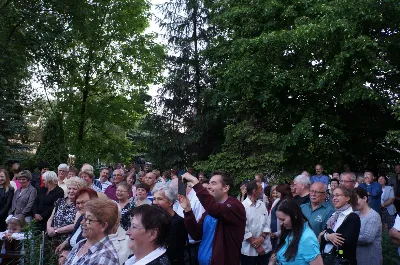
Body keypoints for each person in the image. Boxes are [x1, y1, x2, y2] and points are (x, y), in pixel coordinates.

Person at [178, 171, 246, 265]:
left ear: (226, 188)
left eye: (213, 183)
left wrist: (195, 182)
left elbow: (216, 210)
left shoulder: (235, 206)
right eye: (209, 183)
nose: (209, 187)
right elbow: (196, 234)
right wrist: (188, 210)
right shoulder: (208, 212)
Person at [64, 198, 120, 265]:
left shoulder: (106, 257)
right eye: (84, 218)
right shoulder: (80, 244)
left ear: (103, 226)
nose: (82, 222)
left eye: (89, 220)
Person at [268, 199, 323, 265]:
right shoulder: (289, 230)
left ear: (295, 216)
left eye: (283, 219)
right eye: (279, 219)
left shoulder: (307, 238)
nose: (280, 223)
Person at [56, 188, 98, 265]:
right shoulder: (81, 218)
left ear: (94, 202)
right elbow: (74, 238)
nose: (80, 205)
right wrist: (65, 245)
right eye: (77, 203)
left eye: (83, 202)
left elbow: (88, 252)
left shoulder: (96, 223)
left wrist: (68, 256)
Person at [320, 186, 360, 265]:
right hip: (326, 259)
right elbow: (321, 236)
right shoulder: (333, 215)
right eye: (333, 196)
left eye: (337, 195)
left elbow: (345, 242)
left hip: (342, 261)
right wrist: (328, 237)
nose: (334, 198)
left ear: (347, 198)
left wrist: (326, 235)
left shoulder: (353, 217)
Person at [153, 183, 187, 265]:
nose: (155, 202)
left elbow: (173, 251)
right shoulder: (155, 219)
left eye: (160, 199)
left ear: (170, 202)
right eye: (154, 199)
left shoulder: (178, 222)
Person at [241, 181, 272, 265]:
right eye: (261, 189)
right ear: (255, 191)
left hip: (265, 248)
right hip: (248, 251)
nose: (262, 191)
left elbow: (267, 222)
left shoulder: (262, 204)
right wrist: (257, 246)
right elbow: (243, 228)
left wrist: (262, 237)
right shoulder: (243, 206)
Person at [47, 177, 85, 244]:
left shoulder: (80, 205)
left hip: (67, 242)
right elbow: (50, 218)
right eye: (69, 188)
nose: (71, 191)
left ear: (80, 191)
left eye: (74, 189)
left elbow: (75, 225)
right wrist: (49, 228)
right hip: (53, 240)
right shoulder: (60, 201)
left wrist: (56, 231)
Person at [354, 187, 382, 265]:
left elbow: (367, 238)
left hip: (370, 259)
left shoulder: (373, 216)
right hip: (357, 258)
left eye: (356, 199)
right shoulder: (355, 214)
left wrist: (348, 236)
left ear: (365, 198)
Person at [270, 184, 292, 250]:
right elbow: (270, 215)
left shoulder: (288, 203)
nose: (276, 194)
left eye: (278, 192)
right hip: (272, 232)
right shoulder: (277, 201)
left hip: (282, 233)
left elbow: (288, 221)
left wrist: (277, 234)